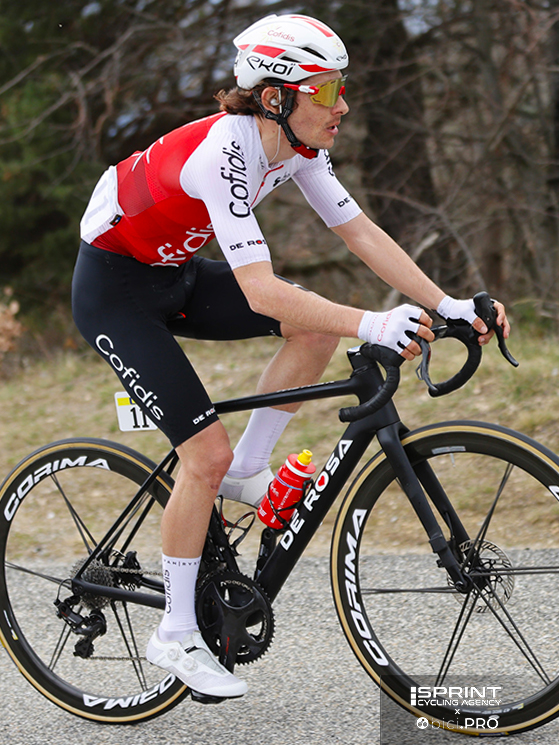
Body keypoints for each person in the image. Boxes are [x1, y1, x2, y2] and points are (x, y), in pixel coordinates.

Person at [72, 13, 509, 701]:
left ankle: (249, 468)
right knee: (202, 456)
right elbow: (259, 289)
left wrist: (445, 302)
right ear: (275, 96)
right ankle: (176, 632)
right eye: (327, 90)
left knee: (313, 332)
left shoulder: (299, 146)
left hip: (175, 274)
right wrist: (373, 320)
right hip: (113, 290)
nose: (342, 105)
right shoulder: (225, 152)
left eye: (342, 87)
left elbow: (359, 231)